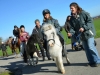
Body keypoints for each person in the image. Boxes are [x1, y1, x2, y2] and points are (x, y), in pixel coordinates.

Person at [68, 2, 100, 67]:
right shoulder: (71, 18)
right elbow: (72, 28)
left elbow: (90, 21)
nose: (71, 10)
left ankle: (97, 61)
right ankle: (91, 61)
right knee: (86, 49)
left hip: (89, 33)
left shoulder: (83, 13)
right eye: (70, 9)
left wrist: (84, 27)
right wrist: (70, 33)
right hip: (82, 36)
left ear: (76, 8)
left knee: (91, 47)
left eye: (72, 8)